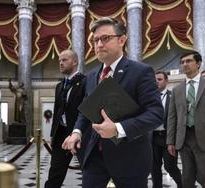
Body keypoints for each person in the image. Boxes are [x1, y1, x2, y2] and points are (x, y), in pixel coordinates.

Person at [62, 17, 164, 188]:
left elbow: (156, 114)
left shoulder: (141, 72)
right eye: (95, 40)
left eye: (105, 38)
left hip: (130, 157)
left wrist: (118, 129)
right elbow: (86, 110)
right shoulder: (92, 76)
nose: (99, 44)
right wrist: (77, 132)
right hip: (94, 156)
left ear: (122, 40)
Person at [166, 51, 205, 188]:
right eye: (182, 62)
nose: (185, 64)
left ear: (198, 63)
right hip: (184, 139)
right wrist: (170, 140)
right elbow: (172, 117)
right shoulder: (177, 90)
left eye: (189, 61)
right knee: (187, 178)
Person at [45, 49, 86, 188]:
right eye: (59, 61)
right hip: (61, 134)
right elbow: (57, 112)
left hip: (81, 133)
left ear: (75, 62)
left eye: (64, 60)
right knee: (55, 172)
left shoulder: (85, 82)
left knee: (89, 172)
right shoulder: (59, 86)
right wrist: (53, 135)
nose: (61, 63)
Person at [152, 70, 182, 188]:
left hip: (168, 137)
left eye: (159, 79)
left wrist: (174, 140)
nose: (156, 82)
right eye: (154, 80)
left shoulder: (173, 96)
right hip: (153, 137)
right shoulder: (149, 97)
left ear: (166, 81)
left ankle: (182, 185)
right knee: (154, 167)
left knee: (170, 166)